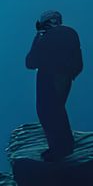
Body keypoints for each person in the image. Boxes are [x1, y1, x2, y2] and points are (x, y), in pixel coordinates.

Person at [25, 10, 83, 159]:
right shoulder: (71, 33)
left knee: (47, 112)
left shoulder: (44, 36)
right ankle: (66, 145)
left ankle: (58, 150)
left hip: (48, 78)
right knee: (58, 110)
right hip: (66, 78)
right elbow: (78, 61)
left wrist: (38, 36)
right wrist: (70, 74)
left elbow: (31, 62)